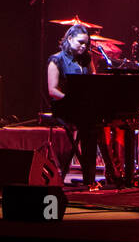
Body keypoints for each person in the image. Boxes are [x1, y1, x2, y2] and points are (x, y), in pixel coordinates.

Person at [47, 24, 117, 189]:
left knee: (107, 120)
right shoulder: (56, 59)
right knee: (91, 125)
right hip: (64, 106)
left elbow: (92, 82)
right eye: (80, 43)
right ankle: (89, 178)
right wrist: (72, 99)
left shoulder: (86, 59)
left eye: (86, 44)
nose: (84, 47)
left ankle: (113, 173)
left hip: (84, 107)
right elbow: (52, 90)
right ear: (69, 39)